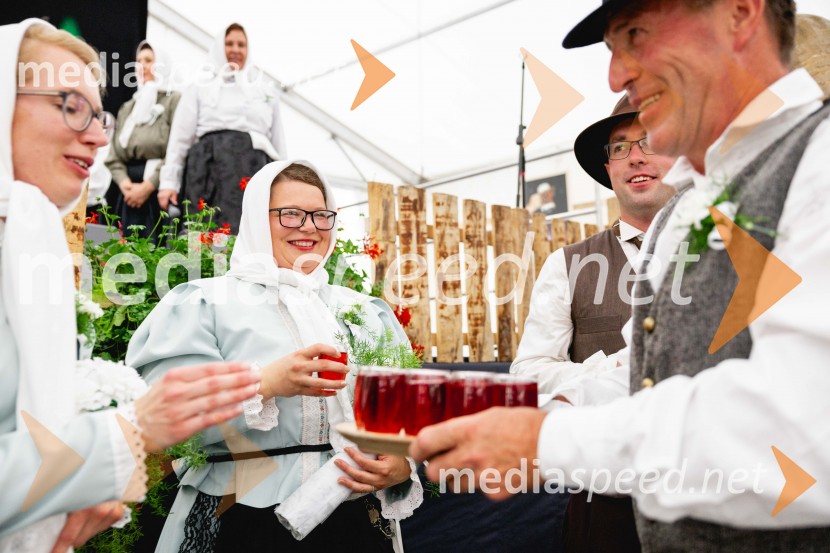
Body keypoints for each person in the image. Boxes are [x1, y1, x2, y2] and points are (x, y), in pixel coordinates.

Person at [411, 1, 830, 551]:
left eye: (636, 34)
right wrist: (543, 410)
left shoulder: (818, 160)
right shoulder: (686, 212)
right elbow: (641, 370)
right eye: (612, 49)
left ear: (740, 13)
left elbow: (804, 438)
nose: (616, 75)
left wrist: (549, 440)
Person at [0, 19, 260, 553]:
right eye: (69, 104)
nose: (98, 135)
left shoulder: (31, 242)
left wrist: (64, 506)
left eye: (98, 115)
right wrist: (130, 433)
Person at [127, 160, 422, 552]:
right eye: (290, 214)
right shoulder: (205, 303)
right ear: (254, 218)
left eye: (321, 215)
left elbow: (407, 416)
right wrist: (264, 384)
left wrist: (402, 465)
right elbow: (163, 420)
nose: (309, 226)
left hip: (352, 521)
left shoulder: (365, 310)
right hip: (240, 517)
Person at [512, 94, 676, 553]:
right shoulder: (567, 264)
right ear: (607, 169)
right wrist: (616, 371)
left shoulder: (721, 248)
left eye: (650, 140)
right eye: (620, 147)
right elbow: (528, 372)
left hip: (705, 491)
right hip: (606, 500)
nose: (636, 156)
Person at [158, 23, 287, 233]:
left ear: (248, 50)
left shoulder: (265, 91)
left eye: (241, 44)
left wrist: (284, 186)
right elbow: (180, 139)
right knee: (202, 236)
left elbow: (278, 142)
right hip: (207, 171)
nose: (235, 49)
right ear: (219, 47)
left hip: (253, 171)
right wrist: (168, 183)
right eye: (229, 43)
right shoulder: (199, 87)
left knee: (251, 234)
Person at [105, 40, 180, 239]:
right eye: (138, 61)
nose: (142, 66)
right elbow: (113, 155)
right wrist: (125, 185)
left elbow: (177, 148)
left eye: (148, 60)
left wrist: (148, 186)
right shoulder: (128, 107)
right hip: (128, 195)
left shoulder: (173, 100)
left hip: (157, 193)